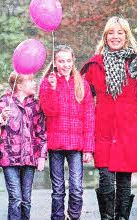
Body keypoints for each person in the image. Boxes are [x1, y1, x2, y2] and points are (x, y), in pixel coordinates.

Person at [80, 16, 137, 219]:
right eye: (111, 32)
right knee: (105, 178)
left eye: (120, 32)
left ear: (127, 36)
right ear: (105, 36)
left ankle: (122, 217)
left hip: (128, 128)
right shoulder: (95, 64)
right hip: (103, 128)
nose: (115, 36)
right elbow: (81, 97)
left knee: (125, 180)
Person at [39, 45, 95, 220]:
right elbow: (49, 111)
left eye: (68, 60)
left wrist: (88, 148)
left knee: (77, 188)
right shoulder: (47, 83)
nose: (65, 64)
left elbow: (89, 117)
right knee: (57, 189)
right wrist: (53, 89)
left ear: (73, 61)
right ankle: (57, 217)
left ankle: (74, 216)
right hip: (56, 144)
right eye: (61, 61)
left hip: (76, 145)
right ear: (55, 63)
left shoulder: (82, 84)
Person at [0, 71, 48, 220]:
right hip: (9, 158)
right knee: (15, 198)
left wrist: (42, 156)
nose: (35, 83)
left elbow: (42, 133)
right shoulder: (5, 102)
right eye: (31, 81)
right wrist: (1, 117)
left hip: (29, 158)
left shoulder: (36, 106)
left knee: (26, 200)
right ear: (19, 85)